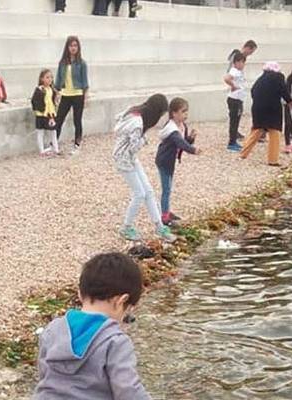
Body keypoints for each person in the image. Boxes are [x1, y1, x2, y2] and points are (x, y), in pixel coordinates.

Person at [34, 252, 151, 400]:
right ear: (121, 301)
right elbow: (128, 391)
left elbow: (45, 374)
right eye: (127, 311)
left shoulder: (53, 329)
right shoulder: (115, 342)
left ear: (80, 294)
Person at [113, 94, 176, 243]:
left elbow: (118, 120)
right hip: (124, 159)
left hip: (128, 157)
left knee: (148, 191)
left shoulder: (134, 111)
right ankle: (126, 227)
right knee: (139, 194)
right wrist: (144, 140)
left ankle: (159, 227)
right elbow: (133, 147)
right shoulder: (138, 123)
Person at [155, 98, 201, 226]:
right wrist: (193, 150)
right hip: (164, 161)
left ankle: (167, 211)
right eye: (183, 111)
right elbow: (180, 142)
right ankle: (164, 217)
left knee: (169, 187)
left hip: (170, 161)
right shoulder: (172, 129)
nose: (186, 114)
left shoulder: (182, 126)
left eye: (187, 111)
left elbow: (184, 141)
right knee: (166, 189)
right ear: (174, 113)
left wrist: (191, 138)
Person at [239, 62, 292, 167]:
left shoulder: (260, 78)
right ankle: (273, 160)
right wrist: (289, 101)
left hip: (258, 108)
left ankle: (243, 153)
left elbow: (253, 91)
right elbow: (284, 90)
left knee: (257, 130)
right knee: (274, 133)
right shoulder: (279, 77)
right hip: (272, 109)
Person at [55, 36, 89, 155]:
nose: (73, 48)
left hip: (78, 95)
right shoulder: (63, 63)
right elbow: (58, 79)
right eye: (71, 46)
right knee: (58, 119)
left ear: (78, 47)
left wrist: (86, 97)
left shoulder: (82, 63)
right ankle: (54, 143)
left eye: (75, 46)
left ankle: (77, 144)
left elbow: (85, 82)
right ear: (67, 47)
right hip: (65, 94)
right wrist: (57, 92)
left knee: (77, 120)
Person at [31, 69, 60, 157]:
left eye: (51, 77)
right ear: (42, 79)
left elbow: (53, 100)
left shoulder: (51, 89)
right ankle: (41, 150)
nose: (49, 79)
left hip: (50, 114)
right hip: (41, 114)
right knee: (40, 132)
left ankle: (55, 148)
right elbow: (34, 101)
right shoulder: (39, 90)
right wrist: (38, 109)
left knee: (53, 131)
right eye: (47, 77)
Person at [224, 52, 247, 152]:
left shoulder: (239, 72)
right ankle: (231, 142)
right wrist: (233, 86)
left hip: (238, 99)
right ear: (236, 62)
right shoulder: (234, 71)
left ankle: (234, 141)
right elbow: (226, 78)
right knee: (234, 121)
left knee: (236, 121)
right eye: (241, 62)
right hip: (234, 99)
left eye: (243, 62)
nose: (242, 64)